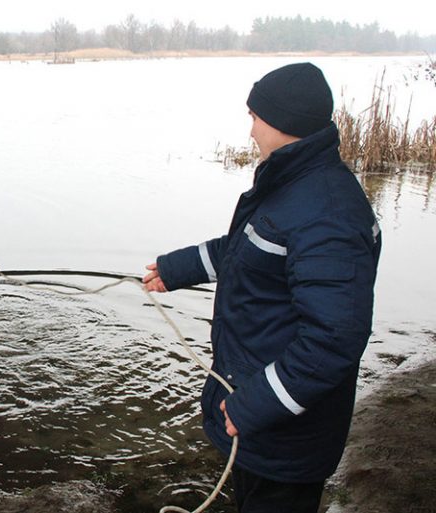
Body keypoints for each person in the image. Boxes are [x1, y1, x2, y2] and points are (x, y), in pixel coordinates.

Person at [143, 63, 382, 512]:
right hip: (264, 421)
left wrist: (255, 405)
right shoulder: (294, 185)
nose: (250, 130)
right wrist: (176, 270)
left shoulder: (327, 214)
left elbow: (334, 339)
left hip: (287, 436)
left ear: (283, 122)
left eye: (254, 117)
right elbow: (251, 252)